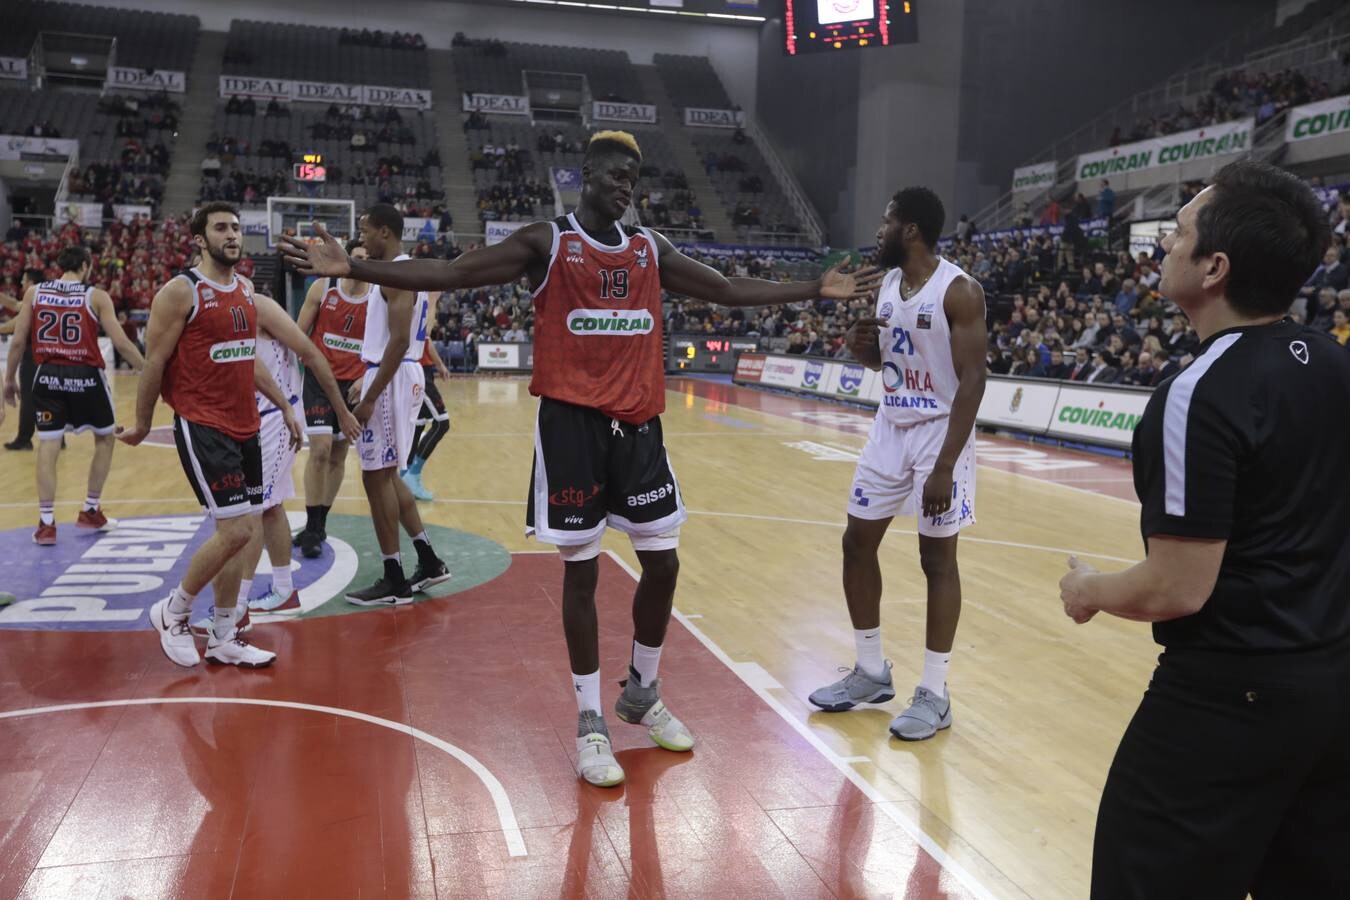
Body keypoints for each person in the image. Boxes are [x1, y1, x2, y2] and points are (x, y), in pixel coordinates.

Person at [279, 130, 880, 787]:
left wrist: (812, 291)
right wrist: (355, 268)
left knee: (664, 562)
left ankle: (642, 691)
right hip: (571, 428)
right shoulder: (547, 242)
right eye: (616, 174)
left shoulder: (651, 248)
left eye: (635, 177)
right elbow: (453, 273)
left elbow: (726, 288)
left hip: (639, 428)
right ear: (585, 177)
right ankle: (591, 719)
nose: (627, 185)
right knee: (584, 575)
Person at [1058, 160, 1350, 899]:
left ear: (1214, 266)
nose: (1163, 245)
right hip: (1333, 691)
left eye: (1178, 231)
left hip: (1228, 700)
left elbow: (1177, 589)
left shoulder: (1197, 393)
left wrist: (1089, 589)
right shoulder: (1332, 361)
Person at [118, 202, 358, 669]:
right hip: (204, 424)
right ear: (198, 239)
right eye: (220, 228)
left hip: (248, 423)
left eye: (235, 228)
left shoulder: (246, 291)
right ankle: (174, 611)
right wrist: (144, 422)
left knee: (242, 533)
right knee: (239, 529)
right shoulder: (180, 292)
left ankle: (225, 632)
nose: (231, 235)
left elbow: (246, 357)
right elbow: (154, 364)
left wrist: (287, 405)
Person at [806, 187, 987, 741]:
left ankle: (935, 693)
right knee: (856, 543)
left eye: (887, 223)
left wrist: (945, 467)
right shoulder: (888, 284)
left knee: (937, 559)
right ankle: (869, 671)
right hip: (891, 426)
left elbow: (974, 380)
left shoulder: (959, 290)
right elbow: (886, 359)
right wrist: (864, 349)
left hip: (939, 434)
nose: (878, 232)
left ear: (910, 230)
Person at [338, 204, 451, 605]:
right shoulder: (400, 272)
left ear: (385, 232)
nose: (362, 237)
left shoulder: (397, 274)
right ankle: (428, 560)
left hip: (395, 376)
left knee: (375, 477)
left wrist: (370, 395)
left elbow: (401, 341)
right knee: (387, 476)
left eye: (366, 230)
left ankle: (393, 579)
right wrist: (366, 376)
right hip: (393, 373)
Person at [2, 247, 145, 544]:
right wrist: (150, 371)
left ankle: (46, 524)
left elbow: (17, 341)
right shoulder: (96, 295)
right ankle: (91, 509)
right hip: (86, 376)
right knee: (105, 438)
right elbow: (121, 342)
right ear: (84, 266)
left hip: (47, 375)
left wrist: (8, 380)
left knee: (48, 444)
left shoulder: (35, 292)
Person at [292, 241, 371, 558]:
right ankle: (312, 527)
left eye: (368, 259)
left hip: (353, 384)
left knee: (339, 455)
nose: (363, 263)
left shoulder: (377, 297)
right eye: (358, 257)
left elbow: (387, 343)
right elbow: (298, 333)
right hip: (318, 380)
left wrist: (367, 377)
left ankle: (320, 523)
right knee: (321, 450)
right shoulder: (324, 287)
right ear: (348, 260)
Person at [2, 268, 48, 450]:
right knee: (48, 398)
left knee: (28, 399)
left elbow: (10, 327)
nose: (21, 283)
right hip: (49, 355)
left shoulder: (33, 302)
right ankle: (58, 438)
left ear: (31, 283)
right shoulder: (46, 298)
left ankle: (23, 439)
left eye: (23, 280)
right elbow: (14, 304)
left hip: (32, 356)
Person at [402, 336, 451, 501]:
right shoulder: (414, 311)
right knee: (442, 423)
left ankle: (404, 475)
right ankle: (413, 474)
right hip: (417, 370)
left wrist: (438, 364)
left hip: (420, 368)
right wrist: (440, 364)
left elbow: (426, 339)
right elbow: (425, 337)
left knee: (418, 424)